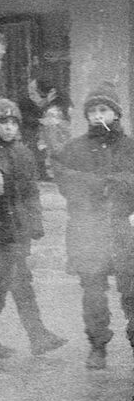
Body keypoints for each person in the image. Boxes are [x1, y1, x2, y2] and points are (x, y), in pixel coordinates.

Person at [0, 98, 65, 358]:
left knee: (20, 282)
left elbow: (31, 191)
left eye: (13, 122)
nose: (8, 128)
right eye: (2, 123)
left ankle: (35, 335)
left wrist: (35, 222)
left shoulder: (23, 153)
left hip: (19, 229)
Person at [52, 87, 134, 371]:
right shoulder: (75, 148)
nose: (98, 115)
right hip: (87, 228)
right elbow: (61, 174)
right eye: (93, 111)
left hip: (122, 227)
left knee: (131, 288)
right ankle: (97, 345)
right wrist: (90, 184)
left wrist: (117, 182)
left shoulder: (129, 147)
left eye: (104, 110)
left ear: (116, 113)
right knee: (93, 290)